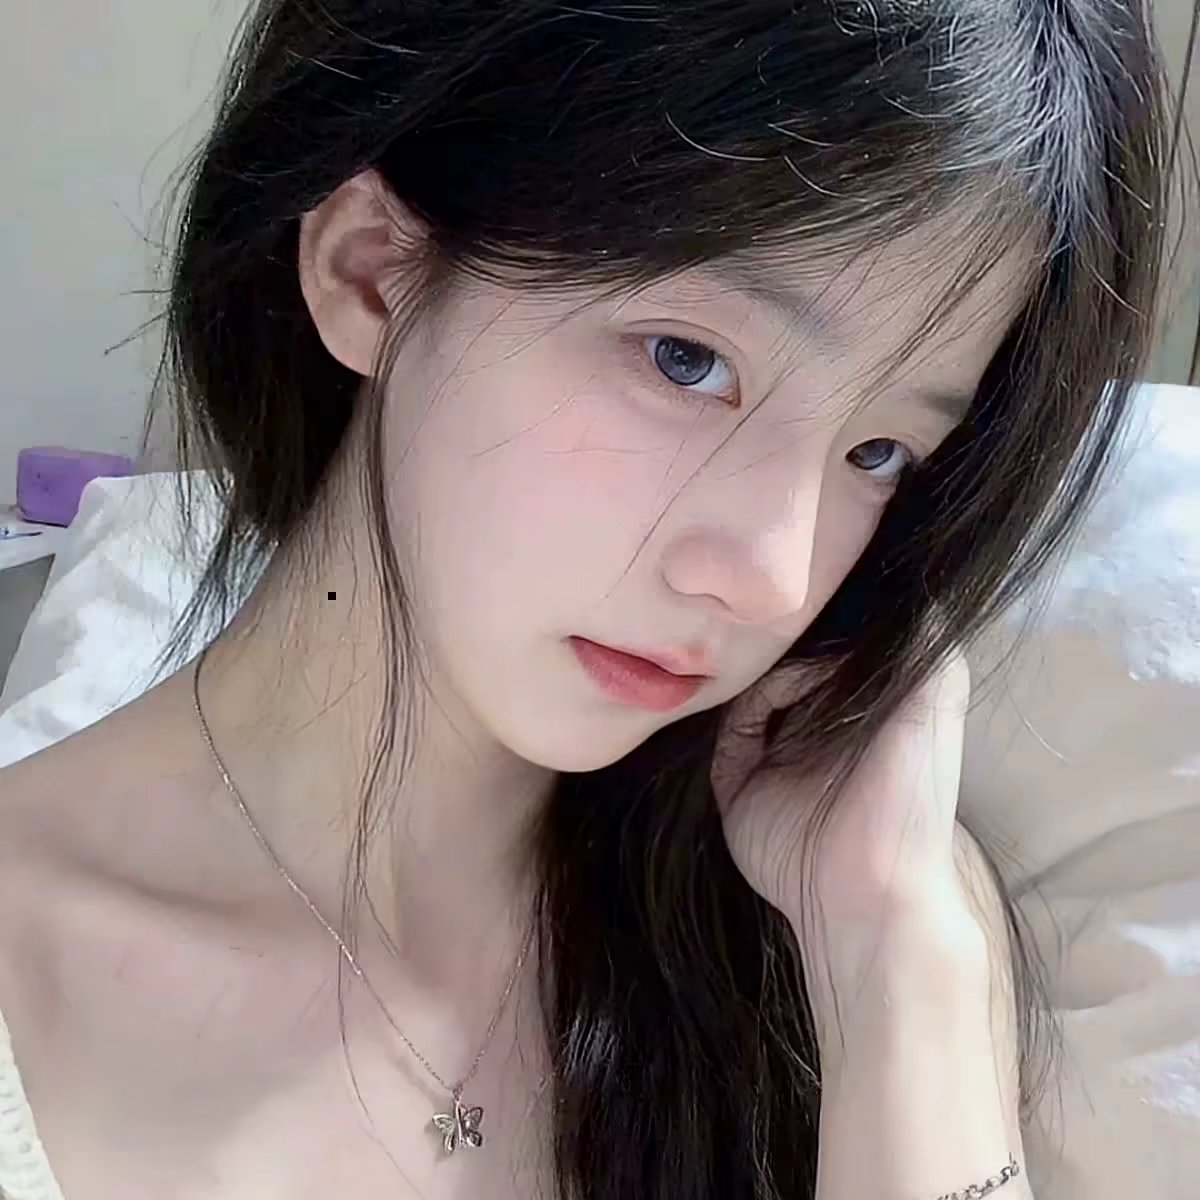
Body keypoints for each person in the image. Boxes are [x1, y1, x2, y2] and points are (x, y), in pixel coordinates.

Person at [0, 1, 1176, 1198]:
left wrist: (899, 960)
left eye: (879, 453)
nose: (773, 576)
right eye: (687, 360)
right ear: (372, 273)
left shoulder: (848, 918)